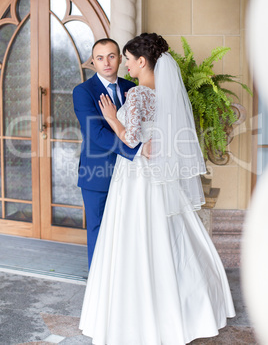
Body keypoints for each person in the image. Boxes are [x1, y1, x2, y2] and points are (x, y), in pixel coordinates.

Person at [79, 33, 235, 344]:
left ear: (141, 61)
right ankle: (184, 308)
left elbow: (131, 138)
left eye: (125, 58)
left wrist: (112, 118)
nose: (122, 64)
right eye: (108, 58)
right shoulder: (164, 93)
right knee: (166, 238)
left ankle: (132, 314)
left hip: (136, 178)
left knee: (133, 239)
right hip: (154, 176)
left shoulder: (136, 94)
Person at [73, 38, 148, 268]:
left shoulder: (131, 88)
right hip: (98, 175)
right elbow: (96, 134)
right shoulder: (83, 91)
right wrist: (138, 150)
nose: (106, 62)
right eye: (100, 57)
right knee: (98, 232)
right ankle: (98, 290)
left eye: (111, 56)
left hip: (130, 176)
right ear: (93, 62)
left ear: (120, 59)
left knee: (126, 231)